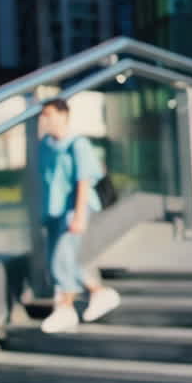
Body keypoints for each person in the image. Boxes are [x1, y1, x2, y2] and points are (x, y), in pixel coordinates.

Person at [37, 98, 121, 333]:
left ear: (64, 116)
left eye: (49, 114)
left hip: (75, 208)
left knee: (62, 259)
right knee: (65, 258)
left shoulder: (77, 144)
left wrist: (80, 216)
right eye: (43, 115)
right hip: (54, 210)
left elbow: (84, 181)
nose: (45, 119)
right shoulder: (45, 145)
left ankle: (66, 308)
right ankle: (97, 294)